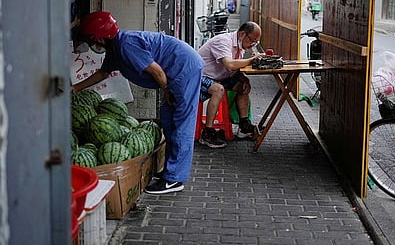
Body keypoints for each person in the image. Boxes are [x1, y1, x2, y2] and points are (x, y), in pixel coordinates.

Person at [72, 11, 204, 194]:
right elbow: (102, 73)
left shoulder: (126, 45)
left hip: (183, 69)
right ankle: (170, 171)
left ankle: (175, 179)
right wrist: (75, 88)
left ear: (100, 38)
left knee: (181, 124)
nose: (92, 45)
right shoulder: (116, 49)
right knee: (168, 121)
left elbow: (157, 71)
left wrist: (167, 91)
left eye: (91, 40)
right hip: (175, 72)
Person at [197, 21, 263, 148]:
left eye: (256, 42)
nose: (253, 45)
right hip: (200, 77)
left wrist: (243, 78)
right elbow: (230, 64)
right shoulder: (223, 41)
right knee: (218, 89)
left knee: (243, 86)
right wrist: (251, 60)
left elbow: (234, 70)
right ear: (242, 34)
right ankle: (207, 133)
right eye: (252, 40)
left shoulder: (240, 46)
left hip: (219, 77)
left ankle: (244, 125)